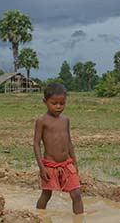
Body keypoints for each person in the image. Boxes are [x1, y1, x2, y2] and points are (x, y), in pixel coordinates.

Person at [33, 82, 84, 214]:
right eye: (54, 103)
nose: (58, 107)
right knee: (46, 194)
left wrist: (74, 162)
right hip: (50, 165)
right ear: (45, 102)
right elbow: (36, 144)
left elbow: (69, 142)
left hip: (67, 163)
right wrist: (41, 167)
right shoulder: (42, 121)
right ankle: (38, 218)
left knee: (76, 194)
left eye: (62, 103)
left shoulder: (65, 120)